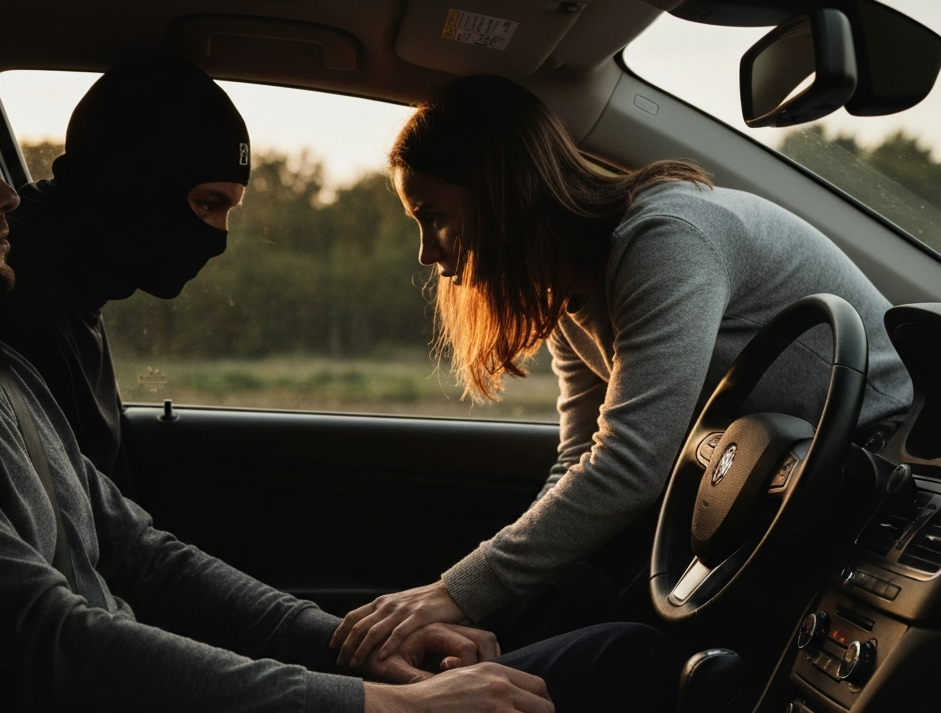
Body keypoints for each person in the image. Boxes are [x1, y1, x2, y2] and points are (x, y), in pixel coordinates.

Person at [0, 48, 676, 713]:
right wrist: (385, 710)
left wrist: (345, 645)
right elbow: (53, 647)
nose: (6, 193)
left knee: (583, 624)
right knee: (626, 661)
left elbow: (142, 557)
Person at [330, 73, 914, 669]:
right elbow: (580, 453)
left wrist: (456, 592)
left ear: (500, 197)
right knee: (553, 605)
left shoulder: (664, 239)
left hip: (879, 462)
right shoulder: (564, 288)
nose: (428, 252)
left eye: (434, 217)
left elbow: (632, 464)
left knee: (623, 648)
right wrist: (479, 600)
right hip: (767, 480)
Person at [0, 52, 252, 483]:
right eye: (207, 204)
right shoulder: (16, 298)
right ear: (133, 185)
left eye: (229, 210)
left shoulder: (77, 279)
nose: (218, 238)